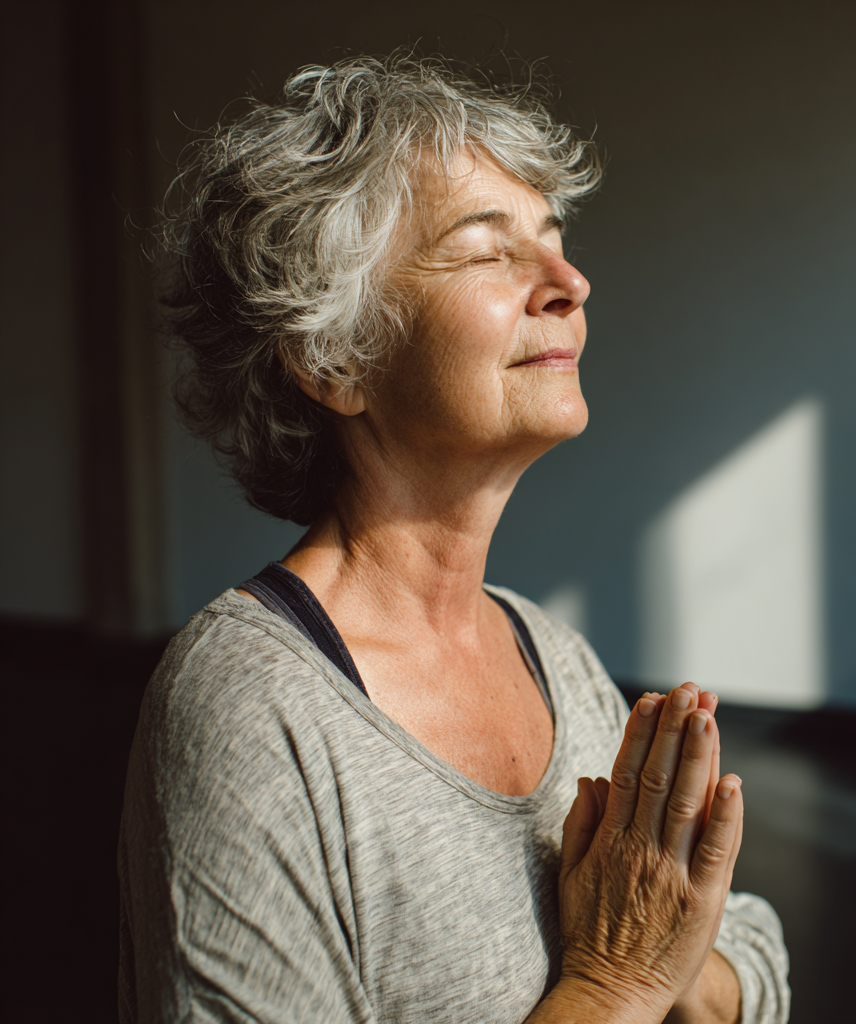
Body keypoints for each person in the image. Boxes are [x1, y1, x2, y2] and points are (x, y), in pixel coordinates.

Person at [119, 55, 789, 1024]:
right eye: (486, 252)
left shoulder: (548, 652)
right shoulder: (250, 709)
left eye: (554, 241)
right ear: (332, 357)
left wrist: (676, 958)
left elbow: (745, 954)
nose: (569, 282)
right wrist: (620, 981)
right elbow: (646, 964)